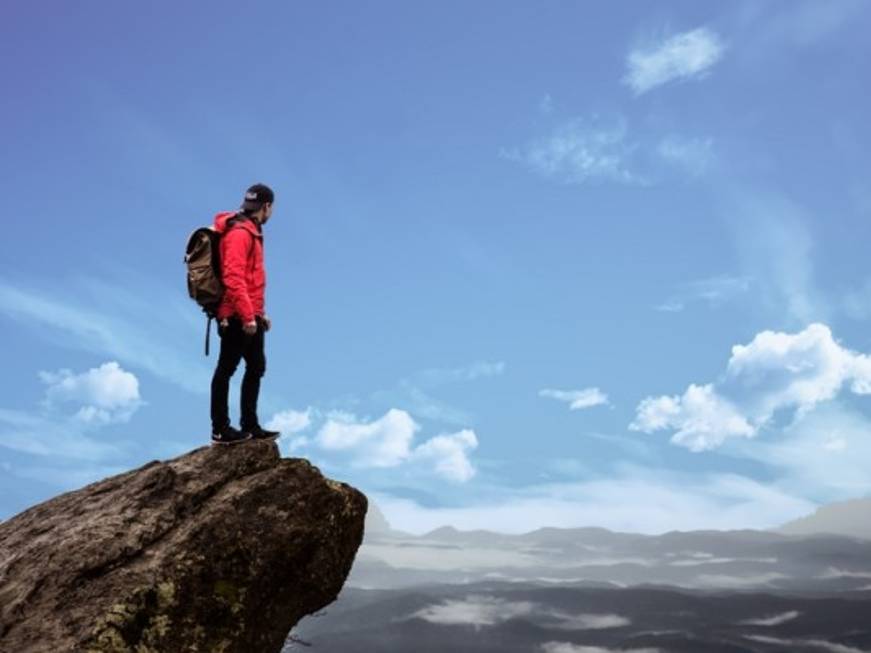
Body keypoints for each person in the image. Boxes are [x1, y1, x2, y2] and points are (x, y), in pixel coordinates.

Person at [210, 183, 281, 445]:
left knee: (256, 366)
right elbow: (233, 277)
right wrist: (247, 315)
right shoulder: (240, 233)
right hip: (235, 314)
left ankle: (249, 426)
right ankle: (220, 429)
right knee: (226, 369)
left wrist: (259, 314)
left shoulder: (252, 230)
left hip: (250, 313)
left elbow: (251, 279)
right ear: (267, 207)